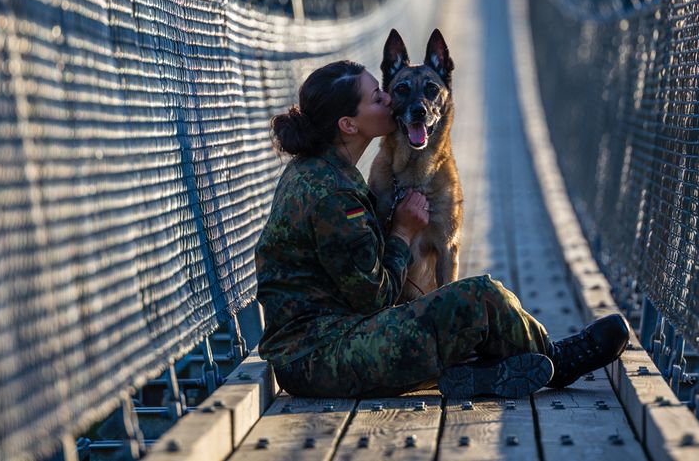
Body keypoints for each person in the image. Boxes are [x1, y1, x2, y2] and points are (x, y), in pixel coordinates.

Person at [254, 60, 629, 398]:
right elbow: (373, 297)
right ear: (349, 125)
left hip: (327, 346)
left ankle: (479, 374)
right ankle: (558, 361)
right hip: (322, 358)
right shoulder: (333, 194)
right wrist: (401, 231)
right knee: (476, 297)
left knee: (454, 313)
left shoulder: (323, 170)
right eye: (376, 97)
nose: (389, 100)